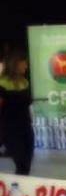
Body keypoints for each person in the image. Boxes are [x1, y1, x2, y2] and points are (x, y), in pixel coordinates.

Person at [0, 46, 34, 174]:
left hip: (26, 127)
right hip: (10, 129)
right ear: (15, 63)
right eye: (24, 63)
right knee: (20, 161)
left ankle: (22, 184)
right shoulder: (2, 84)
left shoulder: (24, 82)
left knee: (26, 163)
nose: (26, 66)